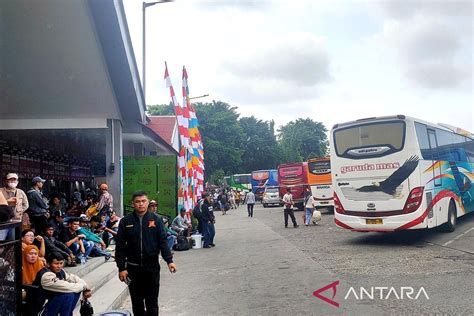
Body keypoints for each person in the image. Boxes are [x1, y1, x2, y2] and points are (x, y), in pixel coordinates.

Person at [115, 191, 176, 316]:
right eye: (137, 202)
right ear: (133, 204)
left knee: (152, 302)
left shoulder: (156, 220)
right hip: (133, 268)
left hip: (151, 267)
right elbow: (120, 246)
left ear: (148, 203)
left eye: (143, 201)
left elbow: (163, 243)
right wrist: (121, 268)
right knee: (137, 303)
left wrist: (169, 261)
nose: (141, 204)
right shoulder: (125, 222)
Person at [33, 251, 92, 315]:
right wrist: (84, 287)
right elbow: (68, 287)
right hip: (41, 309)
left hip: (52, 304)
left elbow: (73, 278)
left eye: (61, 263)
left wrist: (85, 286)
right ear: (48, 264)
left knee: (74, 291)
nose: (59, 266)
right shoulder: (46, 276)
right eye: (56, 263)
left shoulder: (60, 271)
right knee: (69, 294)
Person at [1, 173, 29, 238]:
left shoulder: (21, 192)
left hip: (17, 220)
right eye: (10, 179)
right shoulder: (1, 191)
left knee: (15, 239)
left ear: (17, 182)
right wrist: (7, 201)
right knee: (2, 239)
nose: (13, 181)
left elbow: (26, 204)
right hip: (3, 221)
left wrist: (19, 211)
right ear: (6, 181)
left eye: (15, 180)